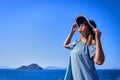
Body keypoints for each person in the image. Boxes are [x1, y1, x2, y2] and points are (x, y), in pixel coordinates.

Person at [63, 15, 105, 80]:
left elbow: (99, 61)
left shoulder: (90, 43)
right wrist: (71, 33)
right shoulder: (77, 43)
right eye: (80, 24)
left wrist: (97, 39)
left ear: (89, 30)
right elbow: (65, 45)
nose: (80, 25)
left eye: (84, 24)